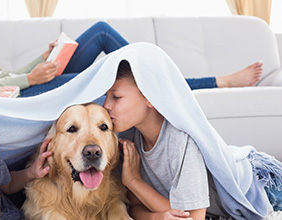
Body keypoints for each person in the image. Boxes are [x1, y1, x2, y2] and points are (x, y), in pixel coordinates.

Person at [0, 0, 263, 97]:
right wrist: (30, 82)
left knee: (101, 35)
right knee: (123, 72)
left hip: (30, 83)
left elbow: (8, 74)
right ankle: (210, 82)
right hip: (24, 96)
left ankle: (182, 80)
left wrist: (45, 58)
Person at [103, 58, 282, 220]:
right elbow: (135, 206)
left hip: (260, 188)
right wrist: (157, 217)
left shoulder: (180, 139)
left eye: (116, 97)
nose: (106, 105)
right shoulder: (127, 138)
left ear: (150, 97)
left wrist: (134, 181)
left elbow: (193, 218)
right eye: (106, 96)